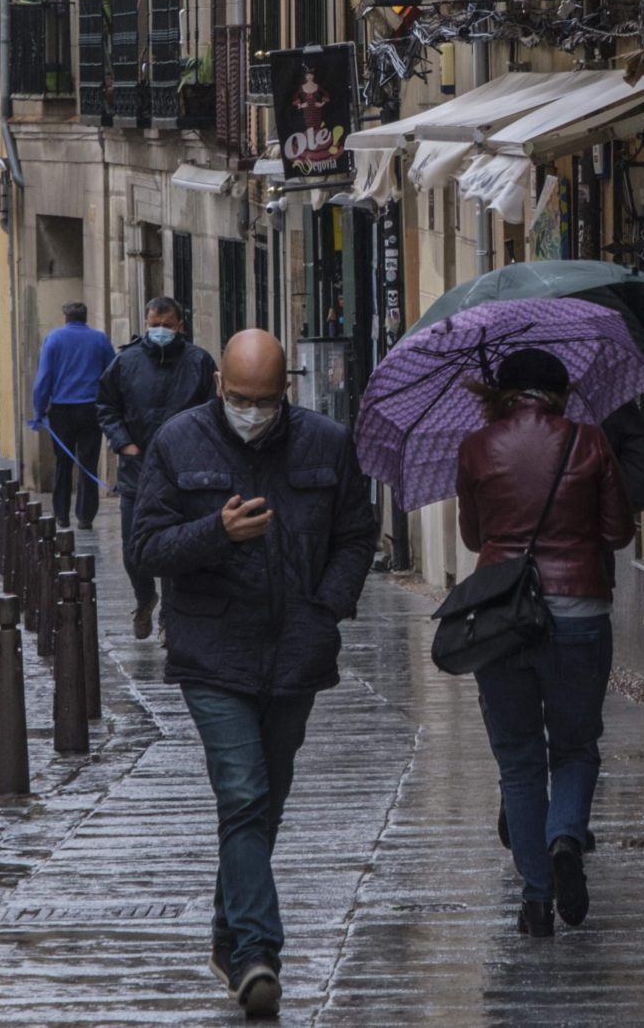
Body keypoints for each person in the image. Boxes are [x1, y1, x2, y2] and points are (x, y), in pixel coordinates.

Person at [125, 330, 375, 1020]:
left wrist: (327, 607)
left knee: (264, 803)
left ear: (283, 393)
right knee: (241, 791)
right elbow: (144, 546)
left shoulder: (325, 442)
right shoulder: (179, 443)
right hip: (212, 649)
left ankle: (227, 933)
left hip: (296, 650)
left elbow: (359, 532)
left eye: (264, 400)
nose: (252, 411)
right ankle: (259, 953)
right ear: (218, 388)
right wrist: (216, 533)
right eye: (240, 398)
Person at [456, 347, 636, 938]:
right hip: (580, 609)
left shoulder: (477, 447)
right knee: (576, 745)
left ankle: (535, 900)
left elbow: (474, 535)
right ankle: (565, 838)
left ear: (502, 394)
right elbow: (617, 531)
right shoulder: (588, 441)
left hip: (504, 618)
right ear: (559, 393)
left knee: (519, 758)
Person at [97, 294, 216, 639]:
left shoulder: (199, 362)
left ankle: (169, 618)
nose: (160, 331)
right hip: (137, 472)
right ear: (145, 325)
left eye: (166, 326)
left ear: (180, 326)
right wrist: (124, 443)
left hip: (183, 475)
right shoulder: (125, 362)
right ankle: (145, 598)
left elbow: (212, 410)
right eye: (154, 326)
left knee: (175, 548)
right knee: (134, 549)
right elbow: (106, 405)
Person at [27, 301, 115, 529]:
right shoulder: (100, 339)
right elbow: (113, 374)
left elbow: (43, 378)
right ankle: (85, 516)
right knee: (88, 462)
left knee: (63, 464)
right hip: (91, 410)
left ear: (66, 318)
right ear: (85, 318)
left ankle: (61, 514)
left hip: (61, 411)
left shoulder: (54, 339)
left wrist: (39, 409)